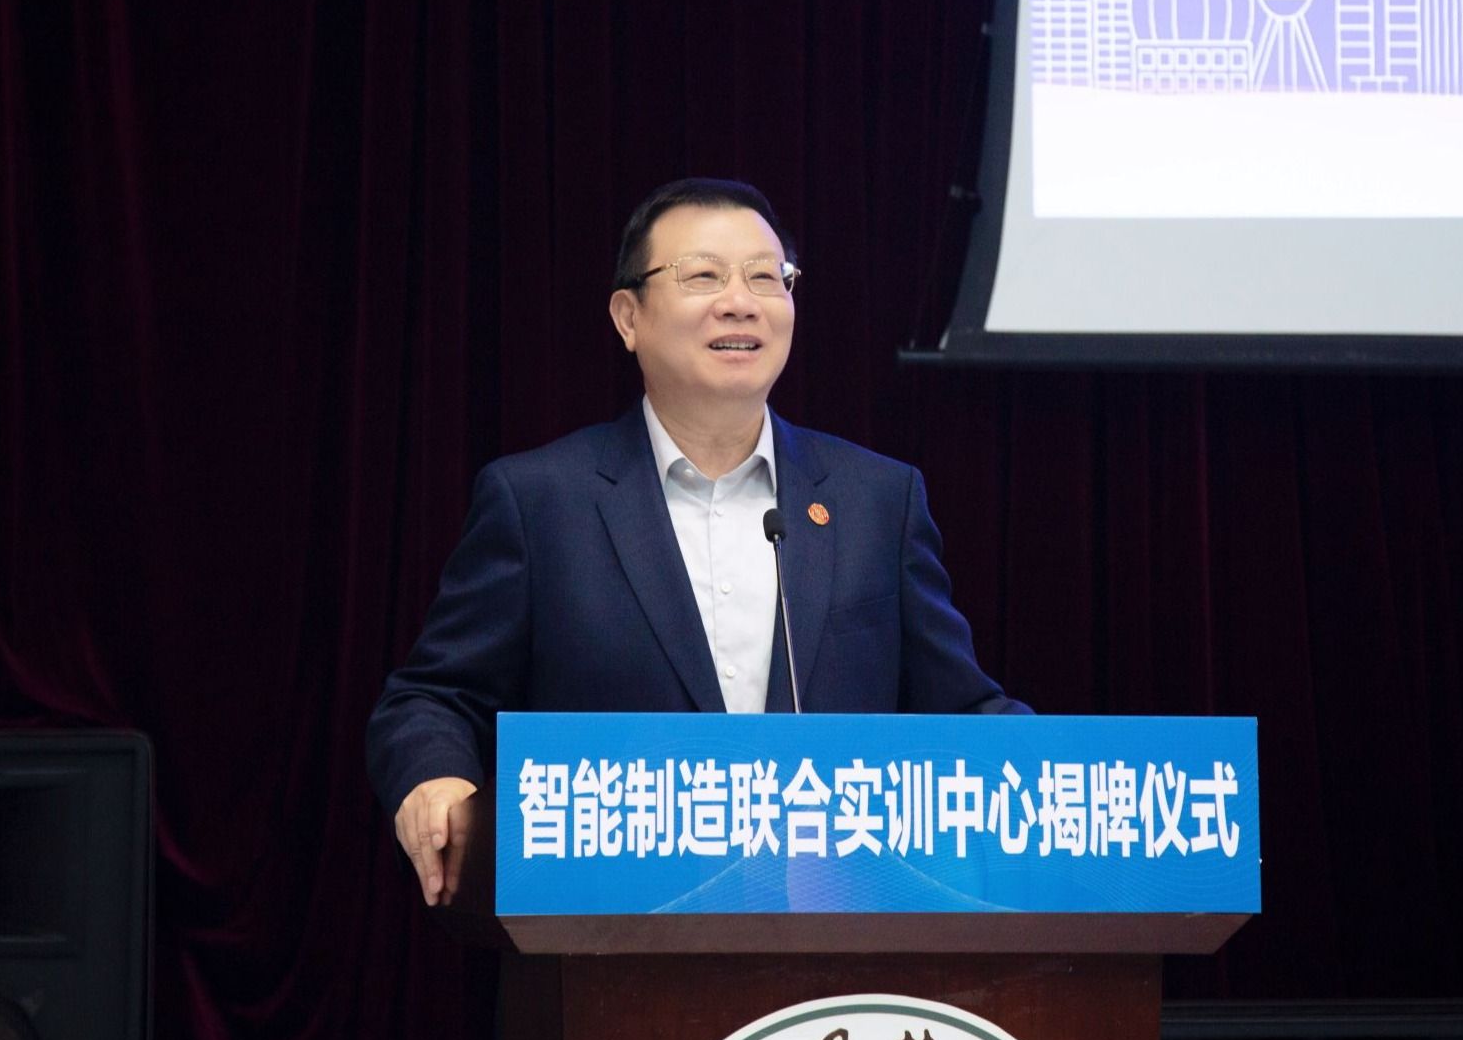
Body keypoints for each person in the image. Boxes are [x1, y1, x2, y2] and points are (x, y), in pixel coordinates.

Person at [368, 178, 1027, 906]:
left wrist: (1069, 775)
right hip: (606, 930)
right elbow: (433, 696)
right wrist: (435, 778)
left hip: (834, 931)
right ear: (629, 317)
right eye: (704, 276)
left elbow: (964, 714)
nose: (740, 301)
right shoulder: (539, 502)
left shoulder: (877, 500)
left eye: (766, 277)